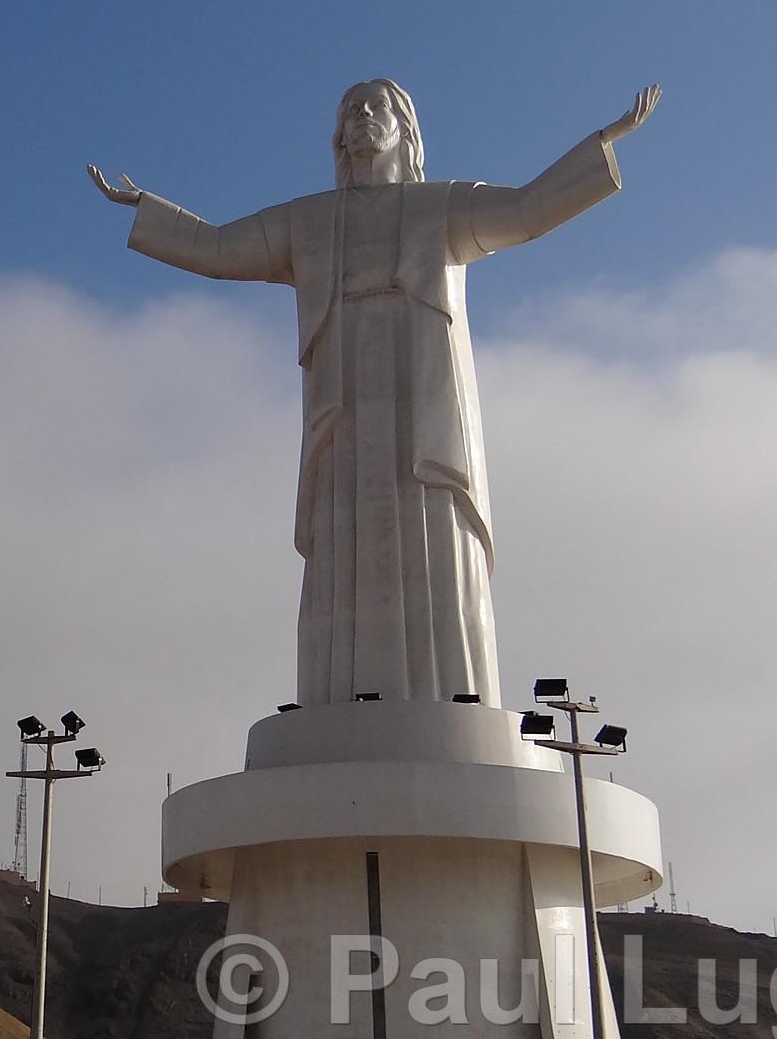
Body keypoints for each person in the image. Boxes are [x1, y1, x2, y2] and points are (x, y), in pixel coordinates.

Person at [89, 81, 660, 707]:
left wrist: (602, 142)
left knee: (431, 517)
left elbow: (526, 211)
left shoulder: (443, 207)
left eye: (374, 106)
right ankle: (339, 698)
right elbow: (222, 249)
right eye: (348, 110)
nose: (360, 116)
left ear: (405, 128)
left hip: (422, 389)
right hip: (344, 396)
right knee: (344, 531)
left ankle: (452, 697)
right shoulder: (307, 220)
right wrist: (147, 206)